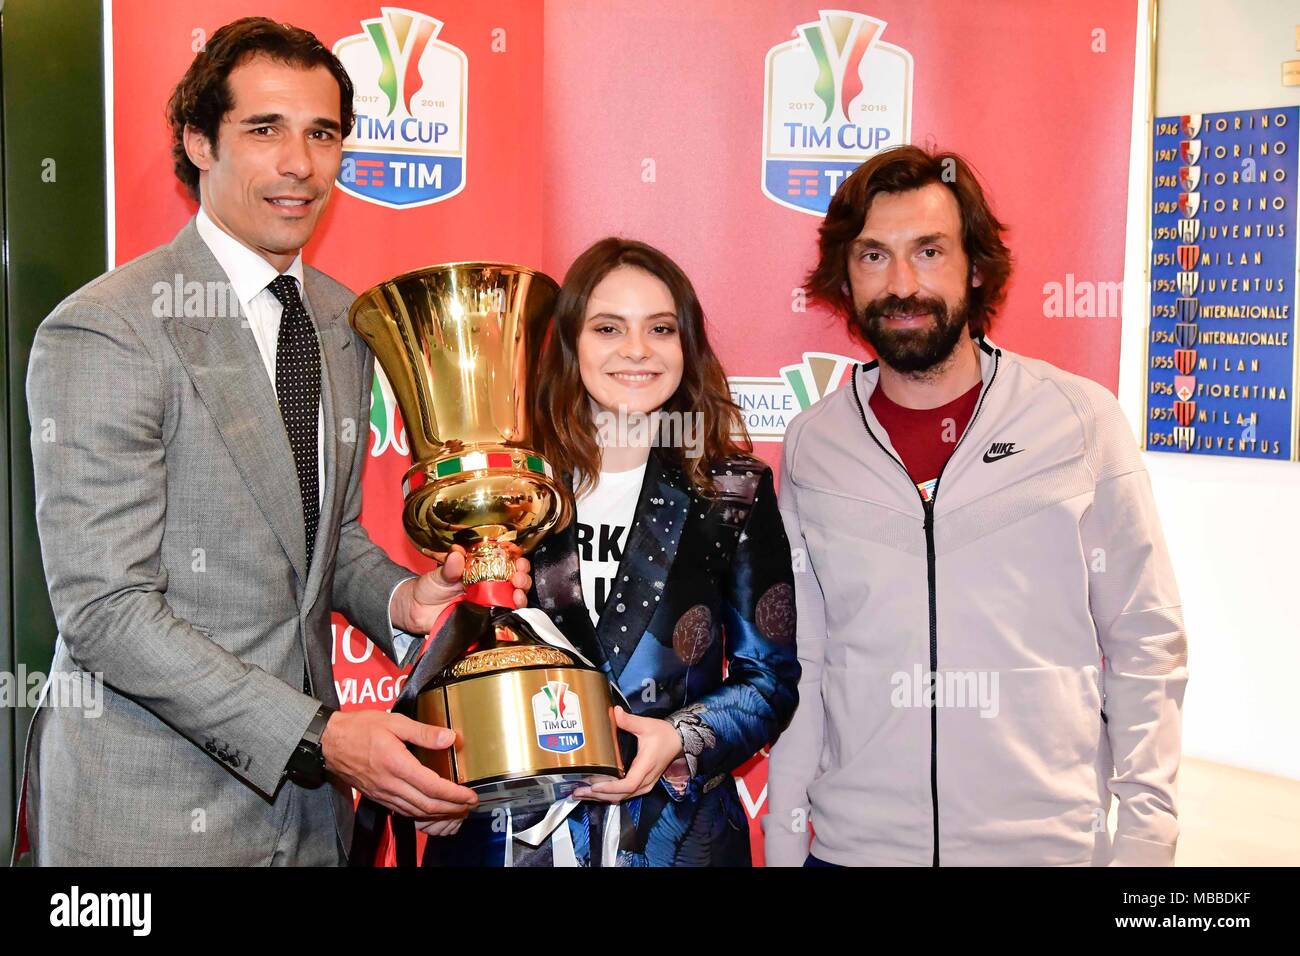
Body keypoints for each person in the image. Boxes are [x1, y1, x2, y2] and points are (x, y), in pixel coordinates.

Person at [18, 17, 528, 866]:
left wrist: (406, 602)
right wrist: (322, 737)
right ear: (199, 143)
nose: (299, 163)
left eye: (322, 134)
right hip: (147, 820)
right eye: (265, 130)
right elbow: (106, 612)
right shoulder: (107, 330)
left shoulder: (341, 317)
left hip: (308, 823)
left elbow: (327, 540)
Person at [764, 145, 1188, 867]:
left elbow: (1147, 641)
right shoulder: (813, 445)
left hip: (1042, 849)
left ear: (976, 267)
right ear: (846, 278)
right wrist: (783, 839)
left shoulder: (1079, 423)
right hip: (854, 850)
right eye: (873, 256)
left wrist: (1147, 839)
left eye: (928, 251)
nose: (901, 283)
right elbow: (808, 657)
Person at [425, 238, 800, 866]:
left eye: (660, 328)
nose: (636, 350)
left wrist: (677, 739)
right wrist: (440, 767)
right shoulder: (511, 484)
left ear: (688, 346)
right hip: (513, 838)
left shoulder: (732, 488)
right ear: (571, 343)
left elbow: (771, 679)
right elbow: (456, 656)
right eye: (608, 328)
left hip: (678, 841)